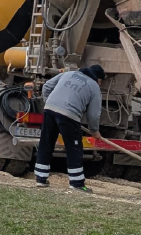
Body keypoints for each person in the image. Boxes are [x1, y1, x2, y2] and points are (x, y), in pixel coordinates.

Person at [34, 65, 105, 193]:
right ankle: (77, 183)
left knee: (46, 143)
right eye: (101, 82)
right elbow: (94, 114)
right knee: (74, 148)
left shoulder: (68, 74)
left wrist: (49, 102)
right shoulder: (94, 86)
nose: (100, 84)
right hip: (70, 115)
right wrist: (94, 130)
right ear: (98, 79)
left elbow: (47, 86)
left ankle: (41, 179)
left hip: (50, 110)